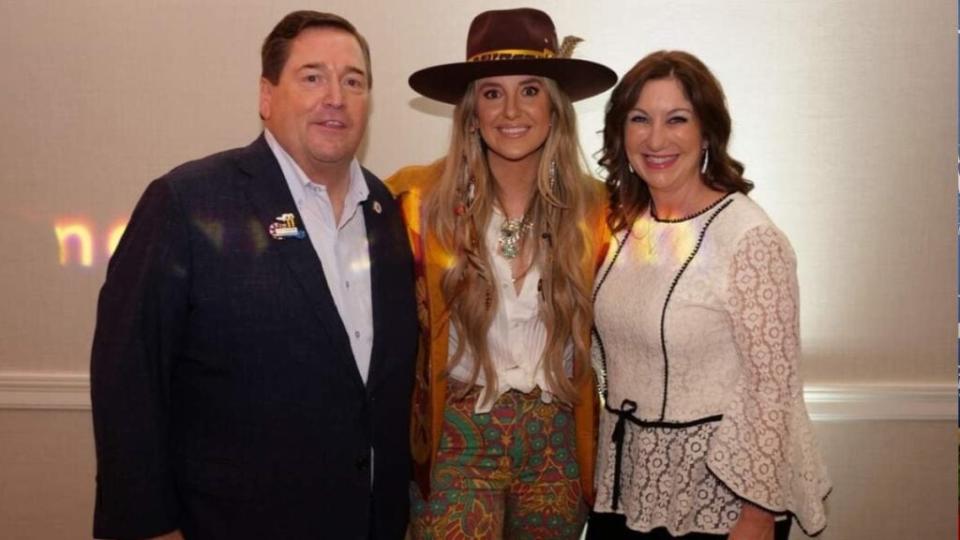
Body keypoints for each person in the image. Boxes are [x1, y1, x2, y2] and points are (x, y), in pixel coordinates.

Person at [90, 11, 417, 540]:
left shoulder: (387, 210)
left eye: (353, 81)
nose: (335, 96)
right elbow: (129, 376)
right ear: (267, 96)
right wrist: (147, 528)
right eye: (312, 77)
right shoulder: (189, 202)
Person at [387, 8, 616, 539]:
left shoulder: (601, 211)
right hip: (456, 441)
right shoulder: (413, 202)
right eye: (492, 93)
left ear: (555, 108)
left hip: (555, 442)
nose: (511, 110)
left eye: (530, 90)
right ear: (471, 111)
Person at [586, 50, 831, 540]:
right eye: (640, 119)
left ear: (707, 133)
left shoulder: (749, 238)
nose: (656, 139)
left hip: (719, 503)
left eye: (677, 119)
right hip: (624, 487)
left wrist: (758, 514)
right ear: (621, 133)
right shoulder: (621, 225)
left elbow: (773, 389)